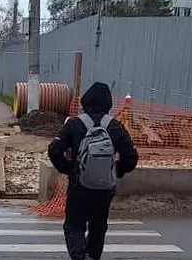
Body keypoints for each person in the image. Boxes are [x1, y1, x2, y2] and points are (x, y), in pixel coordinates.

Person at [48, 82, 138, 260]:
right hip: (104, 189)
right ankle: (92, 256)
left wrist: (70, 169)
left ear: (85, 101)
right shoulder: (115, 126)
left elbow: (54, 150)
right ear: (108, 104)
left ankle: (80, 255)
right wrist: (115, 171)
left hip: (79, 186)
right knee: (98, 228)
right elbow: (131, 157)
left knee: (74, 225)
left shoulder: (74, 124)